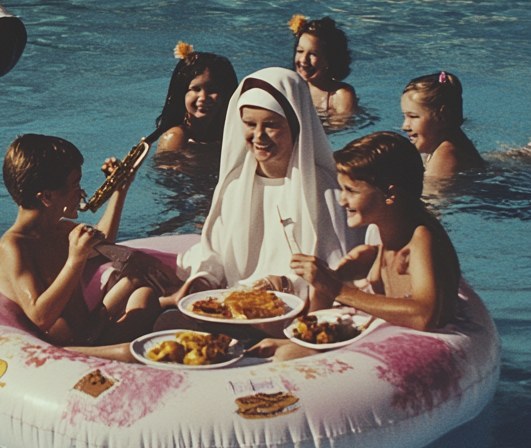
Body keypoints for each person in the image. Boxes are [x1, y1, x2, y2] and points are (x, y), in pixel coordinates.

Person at [251, 131, 463, 360]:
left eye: (351, 191)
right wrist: (330, 279)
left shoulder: (421, 236)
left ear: (390, 195)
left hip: (426, 353)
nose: (342, 200)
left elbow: (424, 315)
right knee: (268, 339)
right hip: (390, 337)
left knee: (285, 356)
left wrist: (337, 288)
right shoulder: (387, 233)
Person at [170, 67, 350, 304]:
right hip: (233, 304)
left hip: (296, 311)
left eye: (271, 125)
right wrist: (203, 281)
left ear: (296, 125)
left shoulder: (323, 189)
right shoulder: (234, 184)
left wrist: (282, 285)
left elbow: (337, 272)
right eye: (249, 124)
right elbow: (215, 253)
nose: (258, 135)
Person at [0, 134, 161, 360]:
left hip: (91, 331)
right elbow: (40, 317)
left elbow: (104, 240)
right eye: (75, 185)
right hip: (61, 353)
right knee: (133, 352)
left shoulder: (59, 230)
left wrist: (120, 190)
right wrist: (75, 259)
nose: (82, 193)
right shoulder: (14, 246)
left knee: (146, 298)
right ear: (48, 197)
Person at [155, 43, 239, 153]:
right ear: (182, 93)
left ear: (226, 94)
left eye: (212, 90)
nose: (203, 97)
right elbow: (165, 170)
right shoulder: (176, 137)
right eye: (195, 89)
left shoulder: (227, 133)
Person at [401, 72, 482, 178]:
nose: (404, 126)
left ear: (441, 116)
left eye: (413, 116)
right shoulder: (439, 143)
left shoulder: (445, 156)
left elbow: (430, 194)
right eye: (405, 116)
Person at [288, 14, 357, 120]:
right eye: (300, 51)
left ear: (329, 61)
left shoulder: (340, 95)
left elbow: (341, 127)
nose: (303, 60)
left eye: (313, 54)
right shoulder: (289, 87)